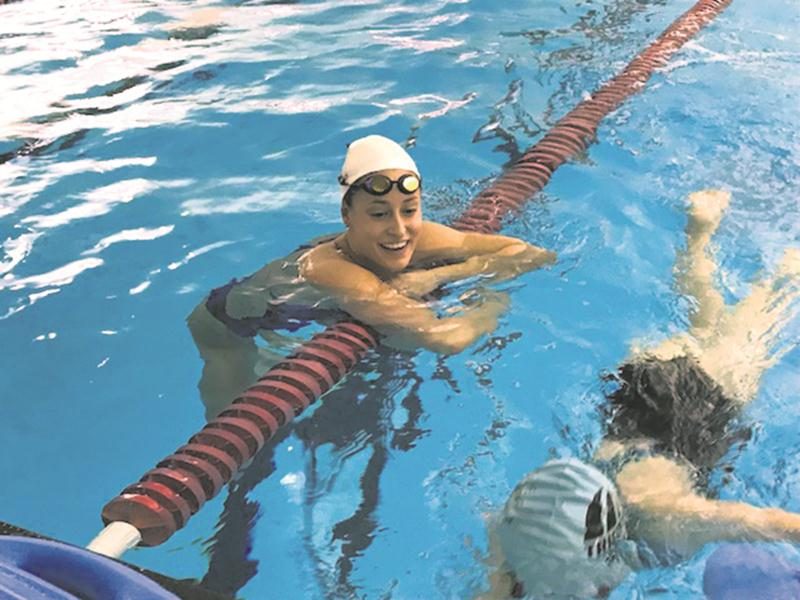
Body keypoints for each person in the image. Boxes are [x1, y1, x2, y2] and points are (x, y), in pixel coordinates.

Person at [483, 189, 800, 599]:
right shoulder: (510, 529)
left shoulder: (665, 520)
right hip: (636, 388)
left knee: (769, 305)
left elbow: (776, 523)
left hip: (696, 403)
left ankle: (788, 262)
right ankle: (697, 236)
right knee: (706, 323)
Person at [188, 134, 556, 417]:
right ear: (347, 217)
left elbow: (532, 253)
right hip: (226, 324)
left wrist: (443, 274)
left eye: (409, 210)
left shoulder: (422, 235)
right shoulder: (334, 273)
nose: (399, 230)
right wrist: (492, 304)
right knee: (237, 430)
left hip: (314, 309)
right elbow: (447, 338)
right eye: (378, 214)